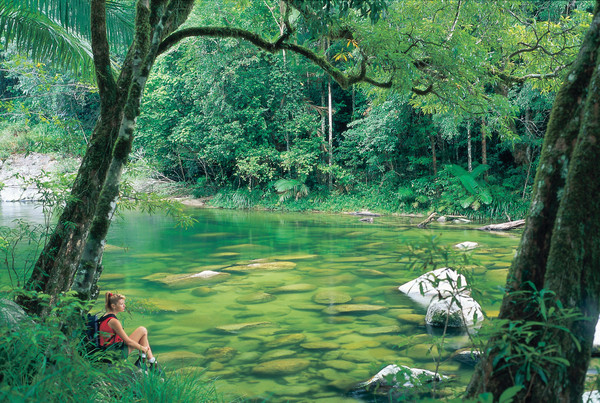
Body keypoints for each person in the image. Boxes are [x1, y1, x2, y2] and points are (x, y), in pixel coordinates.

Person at [99, 292, 157, 368]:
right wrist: (143, 349)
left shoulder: (105, 316)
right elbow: (128, 342)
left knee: (142, 333)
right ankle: (152, 364)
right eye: (121, 304)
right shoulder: (113, 321)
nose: (124, 306)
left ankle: (147, 361)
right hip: (115, 355)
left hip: (109, 352)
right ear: (113, 306)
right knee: (142, 330)